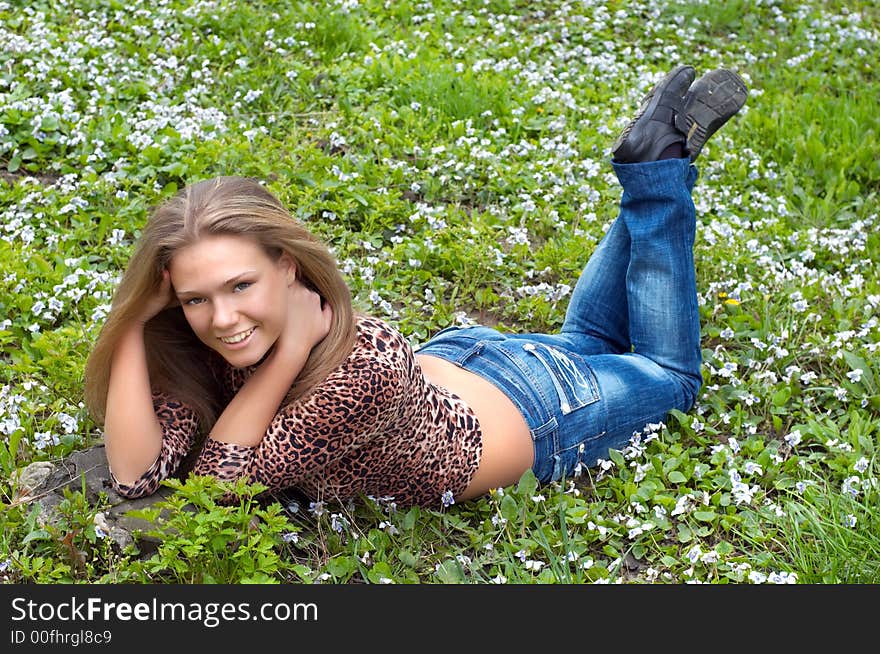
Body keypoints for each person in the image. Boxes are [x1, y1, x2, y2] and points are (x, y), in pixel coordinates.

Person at [84, 64, 748, 509]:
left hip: (541, 409)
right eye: (195, 298)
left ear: (288, 266)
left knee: (668, 375)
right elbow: (136, 472)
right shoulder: (199, 339)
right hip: (461, 364)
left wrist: (287, 356)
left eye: (240, 285)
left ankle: (656, 173)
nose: (221, 317)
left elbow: (216, 492)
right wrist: (135, 323)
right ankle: (654, 169)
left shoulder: (363, 363)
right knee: (592, 338)